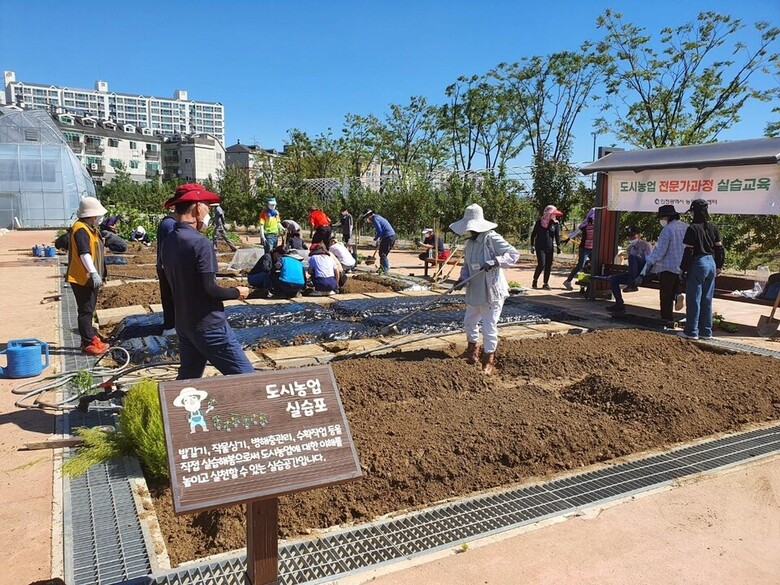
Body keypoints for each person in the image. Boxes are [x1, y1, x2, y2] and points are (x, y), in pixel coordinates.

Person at [161, 183, 253, 380]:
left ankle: (173, 411)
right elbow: (209, 289)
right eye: (206, 206)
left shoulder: (168, 241)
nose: (208, 212)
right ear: (196, 208)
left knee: (188, 378)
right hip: (209, 325)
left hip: (184, 323)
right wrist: (237, 292)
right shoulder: (200, 243)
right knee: (247, 378)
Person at [450, 204, 519, 375]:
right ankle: (472, 352)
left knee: (489, 327)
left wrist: (496, 261)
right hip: (475, 289)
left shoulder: (491, 238)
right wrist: (461, 280)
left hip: (491, 291)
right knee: (470, 321)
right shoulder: (470, 244)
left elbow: (513, 254)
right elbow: (467, 266)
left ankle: (489, 359)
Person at [66, 197, 109, 355]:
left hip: (91, 277)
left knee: (89, 309)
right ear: (91, 215)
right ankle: (87, 343)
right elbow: (84, 253)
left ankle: (91, 337)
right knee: (85, 310)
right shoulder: (81, 229)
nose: (99, 218)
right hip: (82, 277)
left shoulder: (89, 228)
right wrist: (93, 273)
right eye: (97, 215)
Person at [635, 204, 689, 328]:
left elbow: (660, 251)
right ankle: (677, 294)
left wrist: (648, 263)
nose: (661, 220)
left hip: (667, 267)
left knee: (665, 294)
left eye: (662, 217)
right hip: (683, 266)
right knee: (675, 286)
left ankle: (666, 319)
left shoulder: (667, 230)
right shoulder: (686, 227)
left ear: (667, 217)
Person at [678, 199, 725, 340]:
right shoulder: (713, 227)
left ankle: (691, 331)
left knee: (694, 299)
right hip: (711, 263)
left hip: (698, 264)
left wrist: (683, 269)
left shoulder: (692, 228)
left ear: (694, 211)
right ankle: (706, 331)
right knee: (707, 299)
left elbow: (689, 251)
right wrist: (719, 265)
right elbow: (720, 248)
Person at [606, 226, 653, 315]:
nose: (631, 238)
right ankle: (619, 304)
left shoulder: (646, 245)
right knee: (613, 279)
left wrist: (641, 276)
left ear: (639, 235)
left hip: (644, 273)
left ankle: (631, 284)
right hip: (633, 274)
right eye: (629, 236)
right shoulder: (630, 248)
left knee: (632, 257)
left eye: (633, 235)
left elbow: (649, 262)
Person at [156, 209, 178, 337]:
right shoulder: (171, 225)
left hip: (164, 266)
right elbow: (172, 247)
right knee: (172, 298)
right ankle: (171, 327)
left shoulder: (166, 222)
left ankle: (170, 325)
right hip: (168, 268)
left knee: (168, 297)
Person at [530, 205, 563, 290]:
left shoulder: (555, 223)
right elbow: (533, 235)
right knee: (542, 264)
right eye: (552, 214)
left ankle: (545, 283)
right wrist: (532, 245)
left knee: (548, 265)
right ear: (548, 213)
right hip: (540, 246)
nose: (554, 216)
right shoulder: (539, 222)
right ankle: (535, 280)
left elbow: (557, 236)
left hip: (550, 247)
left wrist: (559, 246)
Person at [562, 208, 595, 290]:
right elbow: (575, 232)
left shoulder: (599, 225)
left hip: (593, 249)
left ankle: (592, 283)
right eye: (593, 218)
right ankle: (568, 281)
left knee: (595, 265)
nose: (594, 219)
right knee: (580, 266)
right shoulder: (585, 224)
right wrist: (568, 238)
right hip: (584, 248)